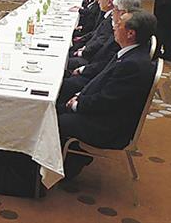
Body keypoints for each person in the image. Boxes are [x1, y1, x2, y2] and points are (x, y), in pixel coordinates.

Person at [58, 10, 157, 178]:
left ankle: (67, 166)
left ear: (130, 33)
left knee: (54, 119)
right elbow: (103, 83)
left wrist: (78, 104)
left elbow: (107, 100)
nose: (114, 27)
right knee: (55, 107)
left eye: (119, 24)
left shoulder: (132, 64)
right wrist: (80, 96)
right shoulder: (130, 53)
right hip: (104, 112)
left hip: (107, 127)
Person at [61, 0, 142, 103]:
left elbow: (106, 88)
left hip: (92, 79)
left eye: (115, 9)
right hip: (93, 73)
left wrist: (78, 100)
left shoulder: (126, 46)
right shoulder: (123, 39)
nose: (112, 13)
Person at [68, 0, 124, 69]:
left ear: (109, 2)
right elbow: (96, 33)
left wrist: (83, 51)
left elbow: (101, 41)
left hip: (92, 60)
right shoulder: (108, 16)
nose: (98, 1)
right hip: (89, 50)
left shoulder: (113, 21)